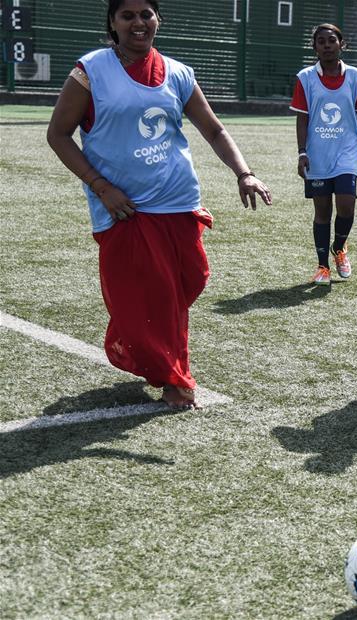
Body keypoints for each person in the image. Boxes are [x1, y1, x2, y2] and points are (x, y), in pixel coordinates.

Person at [46, 0, 272, 410]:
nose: (138, 23)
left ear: (158, 20)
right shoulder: (90, 71)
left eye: (146, 14)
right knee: (153, 297)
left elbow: (214, 129)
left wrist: (245, 173)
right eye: (127, 15)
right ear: (112, 23)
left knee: (187, 281)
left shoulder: (179, 73)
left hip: (179, 202)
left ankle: (157, 357)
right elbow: (59, 135)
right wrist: (101, 187)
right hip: (125, 209)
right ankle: (176, 378)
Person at [292, 23, 357, 285]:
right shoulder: (305, 78)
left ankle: (340, 248)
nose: (327, 45)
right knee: (322, 211)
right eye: (321, 41)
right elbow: (302, 120)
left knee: (347, 205)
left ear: (341, 44)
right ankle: (322, 265)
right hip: (318, 154)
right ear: (314, 47)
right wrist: (302, 152)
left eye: (331, 40)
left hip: (348, 151)